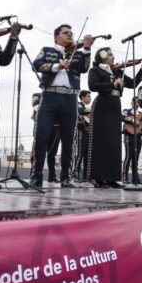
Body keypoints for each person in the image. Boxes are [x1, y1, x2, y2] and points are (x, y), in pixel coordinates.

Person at [28, 24, 94, 188]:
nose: (70, 35)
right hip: (50, 95)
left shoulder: (77, 54)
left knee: (68, 139)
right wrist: (56, 66)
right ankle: (36, 175)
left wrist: (86, 49)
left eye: (71, 33)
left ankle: (65, 176)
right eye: (66, 33)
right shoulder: (47, 50)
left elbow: (84, 68)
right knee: (42, 136)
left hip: (70, 97)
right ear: (56, 36)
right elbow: (36, 64)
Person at [87, 48, 142, 188]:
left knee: (114, 142)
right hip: (102, 104)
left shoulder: (118, 71)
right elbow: (93, 86)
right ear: (102, 57)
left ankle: (112, 178)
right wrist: (112, 84)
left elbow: (133, 84)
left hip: (115, 104)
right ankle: (98, 177)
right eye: (110, 55)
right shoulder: (95, 70)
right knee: (100, 141)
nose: (114, 57)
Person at [30, 93, 61, 183]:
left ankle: (52, 176)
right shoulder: (37, 95)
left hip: (56, 127)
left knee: (52, 154)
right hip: (42, 125)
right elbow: (35, 103)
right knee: (38, 151)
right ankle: (34, 174)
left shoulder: (59, 96)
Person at [121, 98, 142, 185]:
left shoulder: (141, 114)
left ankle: (135, 178)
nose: (136, 103)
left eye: (138, 102)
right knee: (128, 156)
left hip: (138, 136)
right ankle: (124, 176)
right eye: (135, 102)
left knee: (136, 157)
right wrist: (132, 120)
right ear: (131, 103)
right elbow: (122, 117)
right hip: (128, 135)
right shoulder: (126, 111)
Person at [73, 90, 91, 182]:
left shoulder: (87, 107)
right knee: (80, 154)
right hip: (81, 131)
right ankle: (75, 174)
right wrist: (91, 110)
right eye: (88, 96)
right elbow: (80, 111)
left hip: (88, 132)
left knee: (87, 155)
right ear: (83, 97)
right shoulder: (79, 104)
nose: (90, 98)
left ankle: (85, 176)